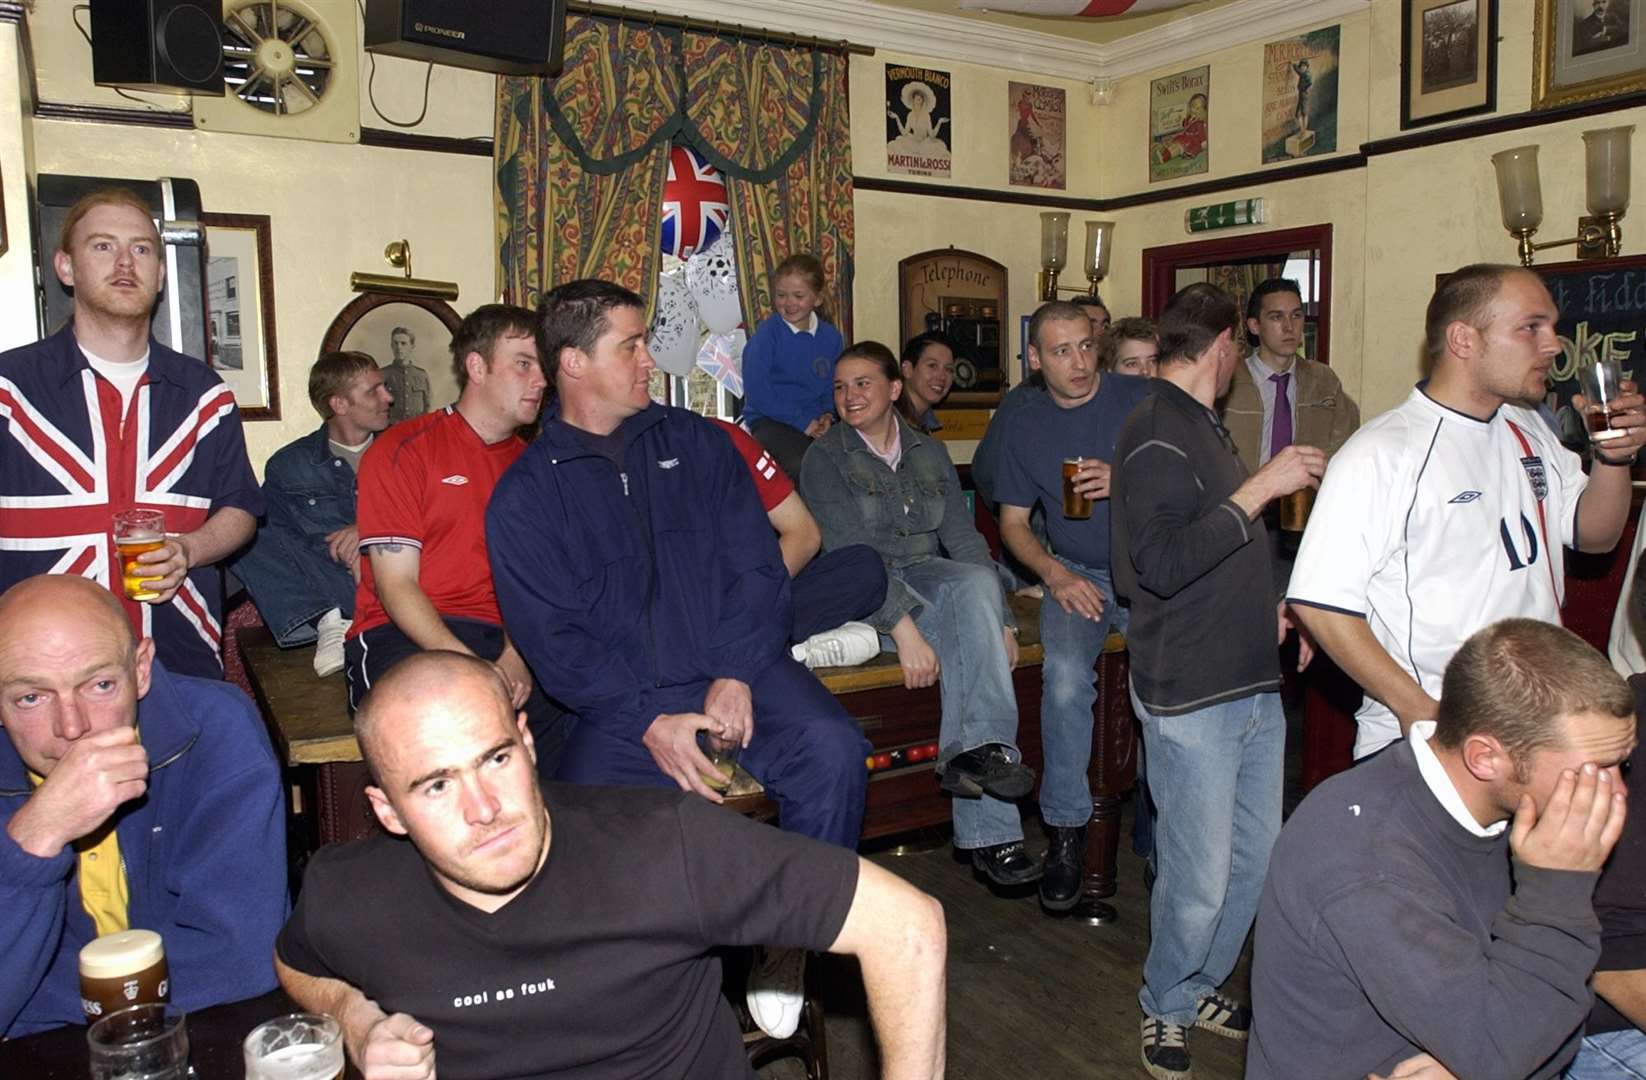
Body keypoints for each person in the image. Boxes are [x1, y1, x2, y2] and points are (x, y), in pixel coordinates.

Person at [487, 279, 870, 1040]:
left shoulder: (697, 443)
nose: (647, 357)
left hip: (739, 666)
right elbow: (555, 646)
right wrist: (650, 718)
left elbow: (758, 570)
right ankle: (638, 1005)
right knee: (582, 821)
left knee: (833, 751)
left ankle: (785, 942)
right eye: (629, 344)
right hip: (625, 703)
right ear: (572, 363)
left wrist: (735, 669)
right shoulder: (525, 497)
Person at [274, 651, 947, 1080]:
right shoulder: (350, 890)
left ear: (528, 744)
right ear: (387, 811)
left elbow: (906, 926)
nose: (484, 809)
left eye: (496, 759)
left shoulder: (663, 844)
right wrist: (358, 1026)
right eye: (437, 786)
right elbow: (297, 960)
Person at [1248, 618, 1634, 1079]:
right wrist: (1558, 890)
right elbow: (1522, 1043)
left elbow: (1554, 1027)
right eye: (1595, 769)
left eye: (1622, 765)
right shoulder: (1365, 861)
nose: (1616, 792)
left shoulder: (1512, 817)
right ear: (1485, 757)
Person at [1289, 264, 1646, 760]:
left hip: (1533, 721)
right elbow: (1319, 601)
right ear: (1463, 340)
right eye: (1530, 328)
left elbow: (1596, 535)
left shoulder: (1529, 428)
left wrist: (1614, 456)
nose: (1554, 345)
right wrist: (1418, 709)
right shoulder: (1385, 451)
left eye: (1552, 327)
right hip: (1434, 736)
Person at [1110, 282, 1324, 1079]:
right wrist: (1263, 486)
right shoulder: (1158, 429)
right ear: (1227, 344)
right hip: (1191, 690)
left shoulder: (1198, 425)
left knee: (1254, 862)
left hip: (1247, 677)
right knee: (1199, 879)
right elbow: (1159, 567)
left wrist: (1274, 606)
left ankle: (1197, 983)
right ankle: (1165, 1004)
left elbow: (1217, 548)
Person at [0, 574, 286, 1036]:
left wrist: (29, 999)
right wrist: (35, 837)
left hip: (198, 1036)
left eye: (100, 686)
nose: (71, 727)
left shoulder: (215, 730)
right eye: (31, 697)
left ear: (142, 668)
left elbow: (242, 959)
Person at [801, 341, 1041, 889]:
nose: (848, 396)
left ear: (892, 389)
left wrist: (1001, 618)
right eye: (840, 387)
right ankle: (996, 837)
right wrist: (902, 628)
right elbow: (850, 555)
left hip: (929, 576)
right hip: (865, 590)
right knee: (970, 648)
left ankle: (975, 757)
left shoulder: (927, 451)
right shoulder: (825, 458)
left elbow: (965, 541)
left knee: (979, 584)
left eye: (862, 383)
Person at [0, 187, 263, 680]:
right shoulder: (9, 389)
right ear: (65, 267)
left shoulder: (203, 394)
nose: (125, 262)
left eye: (141, 249)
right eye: (102, 246)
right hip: (42, 674)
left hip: (177, 658)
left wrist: (188, 550)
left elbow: (241, 508)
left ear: (161, 274)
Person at [344, 304, 570, 780]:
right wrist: (474, 670)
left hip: (511, 639)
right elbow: (396, 587)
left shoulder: (536, 467)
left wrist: (516, 656)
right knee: (447, 712)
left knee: (583, 707)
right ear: (477, 367)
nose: (541, 381)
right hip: (406, 633)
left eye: (543, 367)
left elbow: (534, 587)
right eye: (524, 364)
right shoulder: (404, 450)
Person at [991, 301, 1151, 913]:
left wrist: (1128, 478)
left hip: (1149, 574)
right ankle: (1064, 834)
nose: (1079, 362)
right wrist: (1054, 575)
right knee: (1061, 680)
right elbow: (1012, 523)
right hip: (1077, 573)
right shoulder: (1025, 425)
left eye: (1086, 346)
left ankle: (1166, 837)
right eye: (1061, 351)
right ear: (1035, 359)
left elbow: (1201, 483)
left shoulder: (1142, 399)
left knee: (1161, 697)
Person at [233, 351, 393, 676]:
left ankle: (342, 617)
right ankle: (330, 619)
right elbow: (277, 544)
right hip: (332, 580)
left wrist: (371, 528)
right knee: (245, 530)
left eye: (384, 387)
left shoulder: (410, 451)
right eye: (373, 390)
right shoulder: (289, 466)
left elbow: (445, 517)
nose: (387, 398)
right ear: (339, 404)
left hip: (399, 579)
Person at [708, 418, 885, 669]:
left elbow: (805, 534)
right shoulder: (646, 452)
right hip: (688, 608)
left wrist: (752, 593)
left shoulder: (722, 436)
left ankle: (773, 646)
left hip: (751, 591)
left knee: (865, 568)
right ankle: (785, 651)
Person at [1220, 277, 1359, 595]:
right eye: (1276, 317)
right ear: (1254, 325)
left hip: (1303, 517)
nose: (1289, 326)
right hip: (1246, 515)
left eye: (1296, 315)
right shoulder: (1228, 380)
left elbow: (1347, 442)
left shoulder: (1322, 380)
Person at [739, 254, 845, 480]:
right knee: (803, 465)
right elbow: (759, 394)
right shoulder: (767, 336)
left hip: (816, 421)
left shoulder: (831, 338)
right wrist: (803, 422)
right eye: (781, 295)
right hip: (770, 420)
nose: (789, 303)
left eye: (798, 296)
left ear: (817, 299)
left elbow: (834, 385)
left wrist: (828, 415)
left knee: (850, 460)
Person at [897, 331, 958, 433]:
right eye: (932, 365)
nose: (942, 376)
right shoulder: (889, 422)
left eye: (948, 369)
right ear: (907, 369)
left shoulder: (924, 422)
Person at [381, 326, 431, 423]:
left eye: (403, 343)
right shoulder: (383, 374)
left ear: (412, 346)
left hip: (416, 428)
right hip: (392, 429)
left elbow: (427, 405)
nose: (399, 347)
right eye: (395, 343)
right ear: (391, 346)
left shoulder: (421, 375)